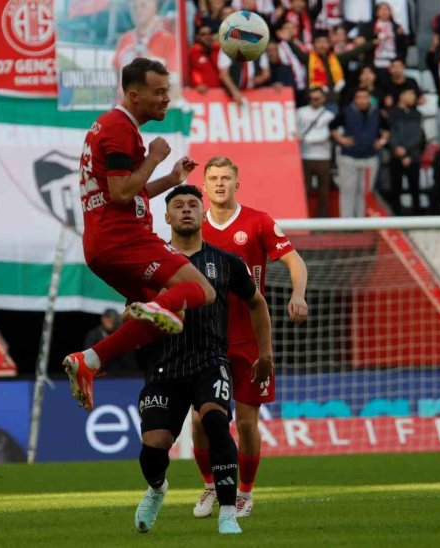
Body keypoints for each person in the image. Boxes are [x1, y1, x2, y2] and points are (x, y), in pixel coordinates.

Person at [63, 58, 216, 412]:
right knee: (201, 290)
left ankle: (90, 361)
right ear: (134, 95)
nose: (166, 98)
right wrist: (156, 157)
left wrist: (171, 179)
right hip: (124, 238)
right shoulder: (119, 129)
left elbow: (130, 191)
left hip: (103, 244)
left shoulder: (112, 126)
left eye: (168, 90)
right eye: (159, 92)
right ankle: (149, 308)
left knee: (167, 319)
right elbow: (119, 193)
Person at [132, 185, 273, 537]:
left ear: (201, 212)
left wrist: (265, 352)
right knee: (155, 444)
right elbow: (131, 313)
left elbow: (257, 302)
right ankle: (157, 488)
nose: (186, 210)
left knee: (215, 421)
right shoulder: (148, 265)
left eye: (193, 204)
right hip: (164, 366)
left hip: (210, 360)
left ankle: (228, 511)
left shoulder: (226, 262)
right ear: (166, 216)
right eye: (177, 205)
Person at [190, 156, 308, 519]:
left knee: (245, 422)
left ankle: (245, 493)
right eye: (213, 178)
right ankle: (210, 486)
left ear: (236, 183)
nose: (220, 183)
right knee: (199, 421)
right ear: (205, 186)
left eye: (226, 178)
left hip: (250, 339)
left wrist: (298, 293)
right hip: (206, 340)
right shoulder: (193, 227)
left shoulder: (258, 222)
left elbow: (295, 261)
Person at [329, 88, 390, 217]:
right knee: (348, 191)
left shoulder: (377, 112)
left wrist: (382, 141)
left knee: (364, 192)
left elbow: (387, 128)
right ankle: (347, 223)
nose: (362, 100)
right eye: (359, 97)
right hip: (349, 157)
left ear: (369, 99)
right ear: (355, 99)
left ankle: (361, 221)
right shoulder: (346, 112)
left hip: (370, 157)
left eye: (365, 97)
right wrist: (341, 139)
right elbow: (332, 126)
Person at [296, 87, 336, 217]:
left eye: (317, 98)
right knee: (303, 191)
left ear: (323, 99)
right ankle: (303, 218)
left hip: (323, 157)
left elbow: (326, 135)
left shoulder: (329, 115)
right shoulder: (300, 112)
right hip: (304, 156)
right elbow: (293, 130)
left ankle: (322, 219)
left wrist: (304, 138)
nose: (314, 101)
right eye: (311, 98)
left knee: (323, 191)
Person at [387, 87, 425, 215]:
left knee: (415, 189)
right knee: (395, 189)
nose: (413, 97)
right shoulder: (391, 113)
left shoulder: (417, 114)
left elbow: (418, 136)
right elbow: (390, 134)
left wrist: (407, 153)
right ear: (402, 95)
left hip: (412, 156)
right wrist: (396, 148)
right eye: (410, 93)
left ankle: (417, 218)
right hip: (395, 156)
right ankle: (395, 218)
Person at [188, 24, 222, 93]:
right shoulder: (193, 52)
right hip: (204, 94)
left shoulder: (218, 50)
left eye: (210, 33)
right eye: (203, 34)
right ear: (197, 37)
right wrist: (199, 84)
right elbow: (194, 71)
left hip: (221, 92)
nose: (207, 36)